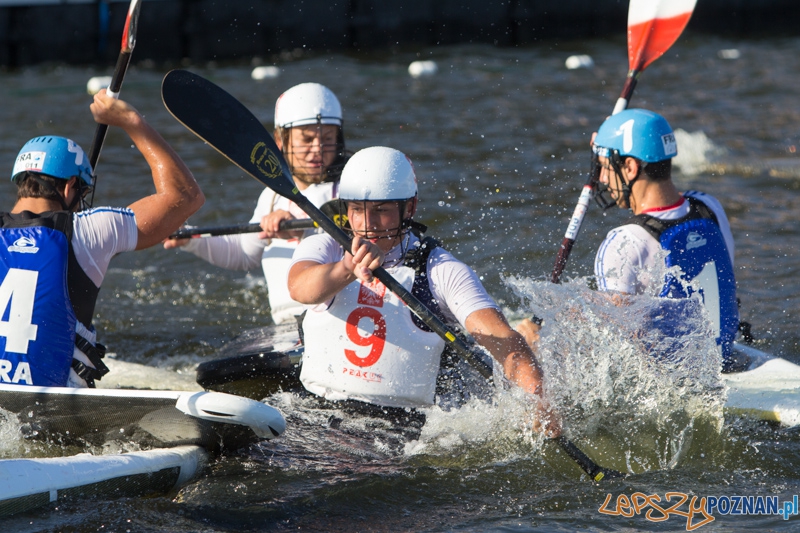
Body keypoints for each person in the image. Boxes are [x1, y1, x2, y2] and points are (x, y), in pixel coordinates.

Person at [287, 146, 559, 435]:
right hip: (315, 411)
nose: (367, 224)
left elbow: (503, 340)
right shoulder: (325, 247)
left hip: (400, 429)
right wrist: (346, 267)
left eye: (381, 210)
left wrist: (538, 397)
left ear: (409, 208)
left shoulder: (442, 270)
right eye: (357, 210)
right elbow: (299, 288)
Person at [0, 90, 204, 388]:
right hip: (58, 401)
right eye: (82, 192)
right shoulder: (92, 229)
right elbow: (185, 197)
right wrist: (131, 121)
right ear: (69, 186)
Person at [521, 109, 742, 372]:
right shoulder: (709, 207)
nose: (602, 178)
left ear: (630, 167)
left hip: (675, 379)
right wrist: (610, 142)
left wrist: (540, 346)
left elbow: (614, 353)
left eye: (605, 167)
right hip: (725, 360)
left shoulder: (623, 243)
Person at [164, 82, 347, 325]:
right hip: (285, 324)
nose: (318, 149)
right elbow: (242, 253)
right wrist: (190, 239)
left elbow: (361, 248)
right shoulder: (271, 196)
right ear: (280, 140)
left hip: (334, 320)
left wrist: (304, 232)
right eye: (307, 139)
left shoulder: (347, 192)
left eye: (327, 138)